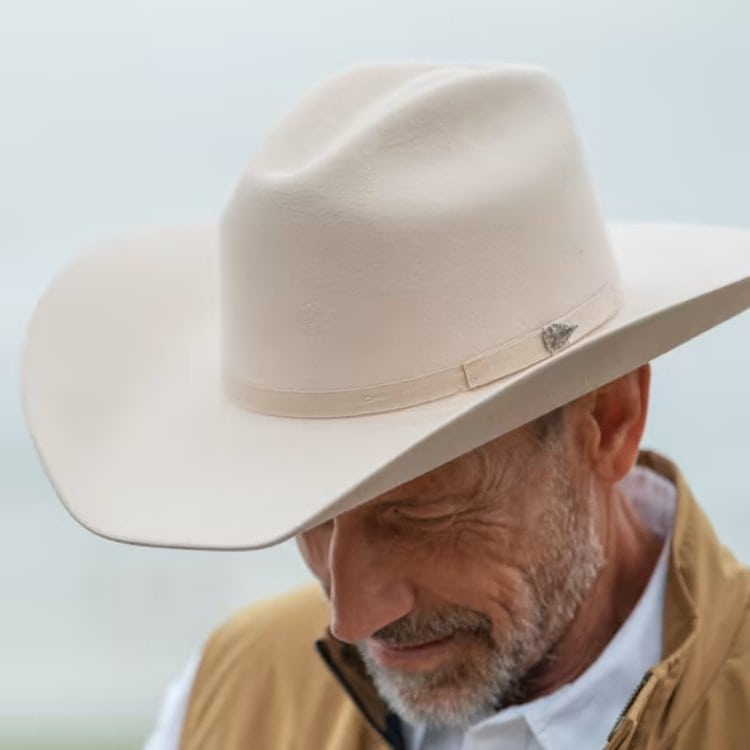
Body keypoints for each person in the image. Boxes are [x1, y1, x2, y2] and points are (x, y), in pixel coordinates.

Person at [21, 62, 750, 750]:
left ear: (609, 419)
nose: (351, 617)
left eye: (419, 513)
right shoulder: (232, 693)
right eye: (311, 514)